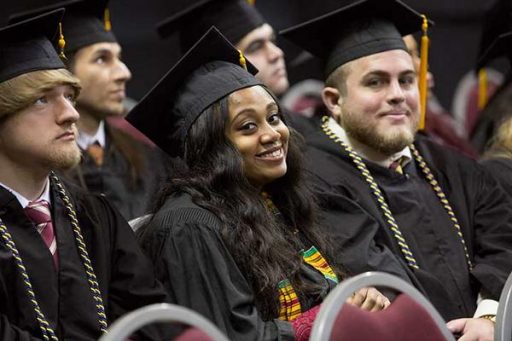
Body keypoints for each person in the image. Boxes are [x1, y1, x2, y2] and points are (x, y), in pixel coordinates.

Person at [128, 27, 390, 341]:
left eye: (274, 117)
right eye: (248, 126)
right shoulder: (188, 227)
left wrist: (360, 301)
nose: (272, 134)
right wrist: (330, 317)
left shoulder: (271, 203)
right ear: (211, 146)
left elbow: (324, 296)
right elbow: (229, 336)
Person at [280, 0, 512, 339]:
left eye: (406, 80)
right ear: (334, 100)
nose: (398, 95)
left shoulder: (454, 165)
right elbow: (376, 274)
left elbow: (503, 239)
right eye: (376, 82)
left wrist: (489, 316)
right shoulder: (312, 178)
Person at [0, 9, 170, 340]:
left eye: (69, 97)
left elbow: (148, 320)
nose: (70, 114)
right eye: (41, 100)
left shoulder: (96, 216)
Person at [9, 0, 167, 220]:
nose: (124, 73)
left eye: (119, 58)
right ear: (64, 72)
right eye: (102, 59)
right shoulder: (40, 173)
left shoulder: (149, 159)